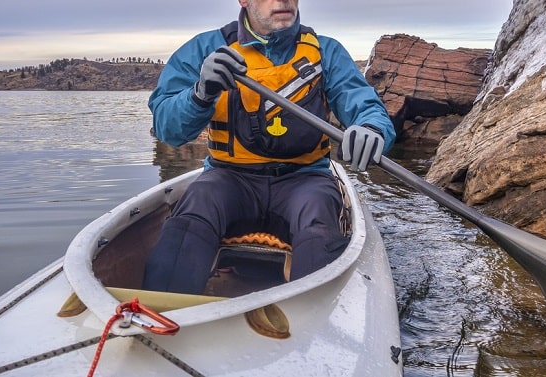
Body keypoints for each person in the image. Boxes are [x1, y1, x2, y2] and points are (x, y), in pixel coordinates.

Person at [142, 0, 396, 294]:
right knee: (198, 202)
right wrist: (199, 94)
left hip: (305, 180)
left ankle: (313, 316)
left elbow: (365, 105)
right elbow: (168, 129)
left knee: (318, 213)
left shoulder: (326, 51)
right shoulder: (203, 49)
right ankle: (160, 310)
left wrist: (371, 129)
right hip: (229, 178)